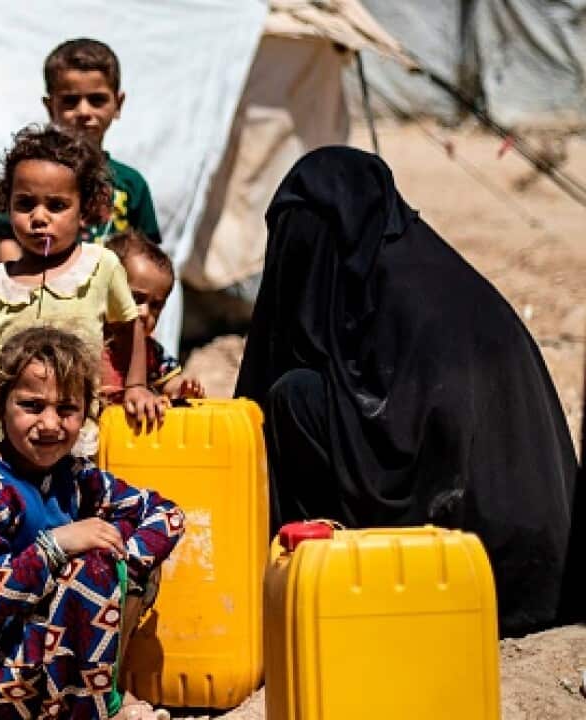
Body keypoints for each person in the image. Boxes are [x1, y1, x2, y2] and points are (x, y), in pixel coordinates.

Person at [234, 145, 578, 637]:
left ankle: (326, 572)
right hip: (539, 559)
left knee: (297, 397)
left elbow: (414, 453)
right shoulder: (431, 277)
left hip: (476, 567)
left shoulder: (413, 308)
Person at [0, 325, 185, 720]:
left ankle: (96, 692)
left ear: (85, 414)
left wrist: (123, 558)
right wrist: (55, 546)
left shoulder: (76, 477)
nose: (50, 424)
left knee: (108, 557)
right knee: (92, 569)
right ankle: (94, 709)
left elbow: (166, 513)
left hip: (53, 649)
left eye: (66, 409)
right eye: (32, 406)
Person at [0, 124, 160, 460]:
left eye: (57, 205)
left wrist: (136, 386)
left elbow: (127, 327)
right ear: (7, 205)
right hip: (1, 440)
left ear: (85, 210)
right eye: (25, 204)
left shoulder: (101, 267)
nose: (39, 217)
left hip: (72, 437)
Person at [0, 38, 162, 263]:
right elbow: (8, 243)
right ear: (50, 107)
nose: (84, 111)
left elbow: (147, 256)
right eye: (70, 101)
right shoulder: (30, 175)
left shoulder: (131, 183)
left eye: (97, 100)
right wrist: (19, 283)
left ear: (118, 104)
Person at [101, 230, 204, 403]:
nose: (144, 312)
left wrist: (181, 388)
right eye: (135, 298)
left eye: (155, 306)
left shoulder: (152, 353)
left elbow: (168, 383)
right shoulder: (86, 340)